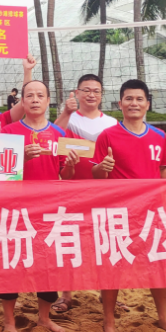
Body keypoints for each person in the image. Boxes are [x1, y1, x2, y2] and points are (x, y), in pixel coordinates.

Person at [91, 79, 166, 332]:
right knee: (113, 266)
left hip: (151, 212)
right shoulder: (107, 135)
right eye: (129, 99)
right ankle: (109, 320)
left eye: (139, 99)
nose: (134, 103)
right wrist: (102, 168)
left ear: (147, 104)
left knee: (157, 264)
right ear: (120, 103)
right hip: (118, 212)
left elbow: (163, 170)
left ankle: (163, 317)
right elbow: (96, 175)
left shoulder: (158, 136)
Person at [0, 80, 79, 332]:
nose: (34, 99)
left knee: (48, 265)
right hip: (15, 208)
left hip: (48, 209)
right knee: (12, 263)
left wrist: (71, 165)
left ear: (48, 101)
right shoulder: (8, 133)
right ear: (22, 101)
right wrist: (20, 159)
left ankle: (44, 317)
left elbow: (66, 175)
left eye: (40, 95)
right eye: (29, 95)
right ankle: (9, 320)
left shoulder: (58, 134)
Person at [52, 74, 119, 313]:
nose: (91, 94)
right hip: (73, 189)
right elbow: (53, 134)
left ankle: (107, 292)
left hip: (104, 190)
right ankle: (66, 294)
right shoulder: (68, 119)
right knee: (70, 241)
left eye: (96, 91)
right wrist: (66, 112)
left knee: (105, 242)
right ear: (77, 93)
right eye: (86, 90)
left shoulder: (112, 123)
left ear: (102, 95)